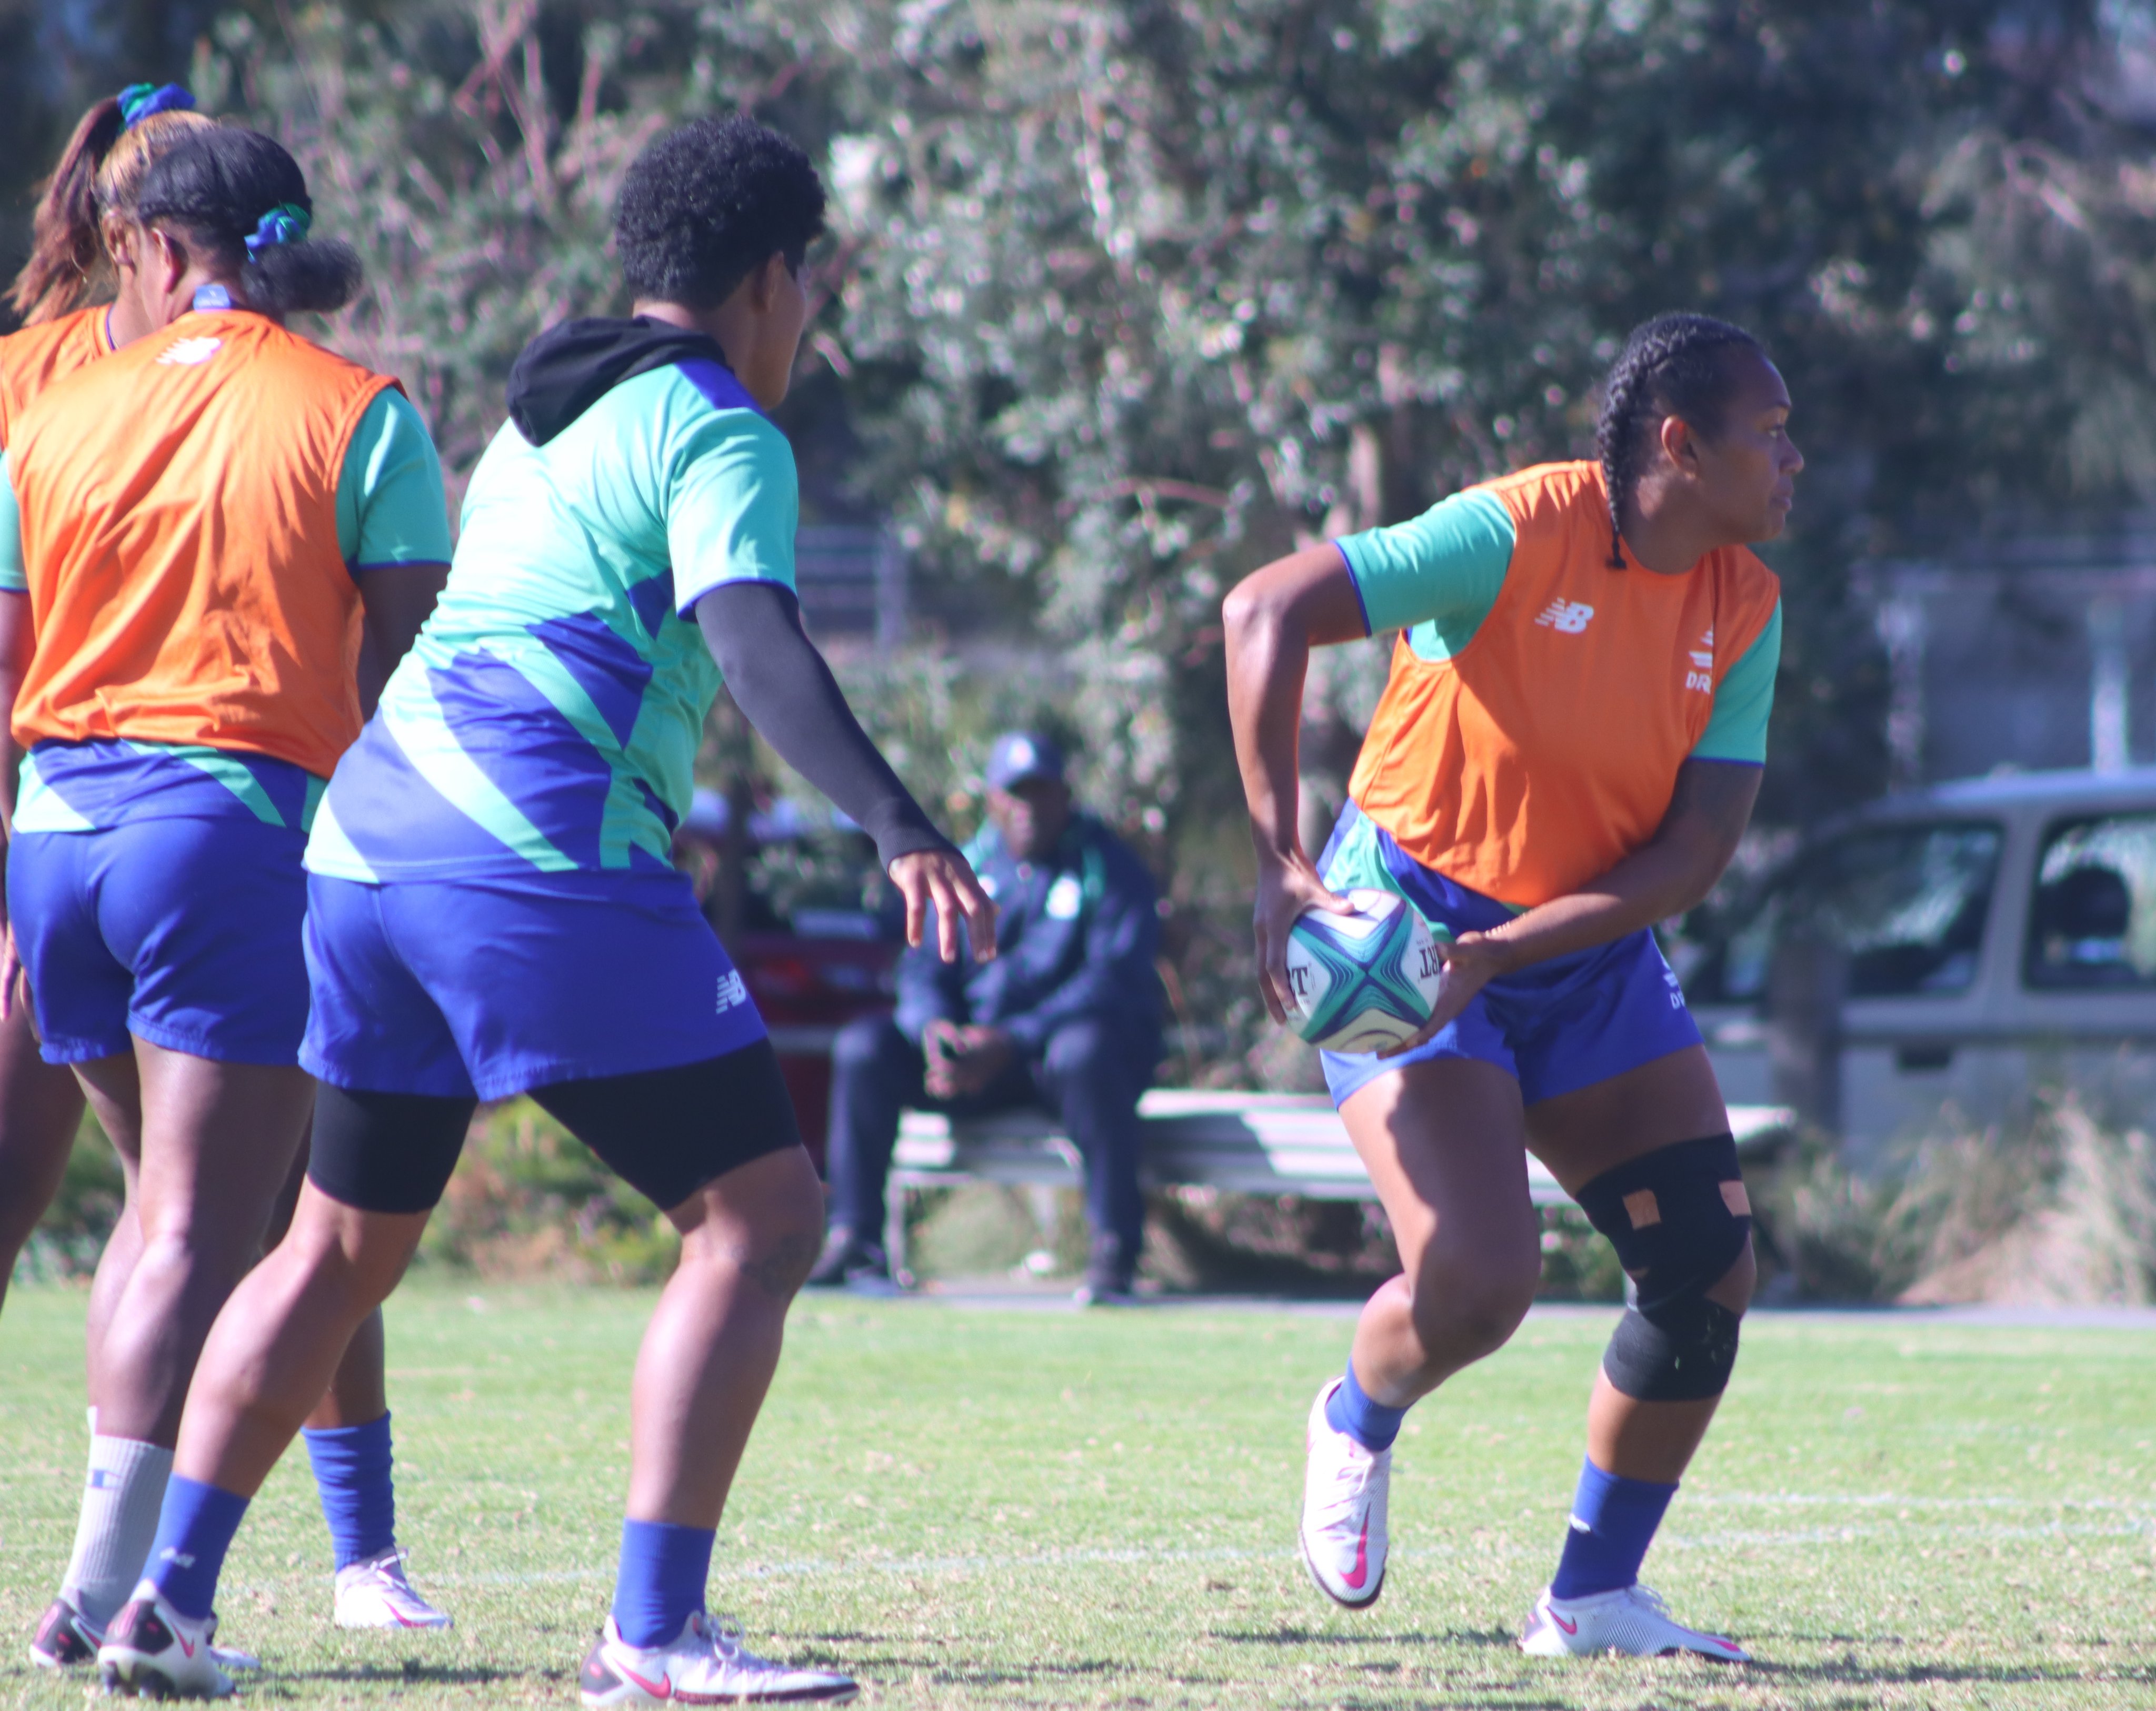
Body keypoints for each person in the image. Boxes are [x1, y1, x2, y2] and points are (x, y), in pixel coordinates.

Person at [96, 114, 993, 1703]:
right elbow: (758, 637)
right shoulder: (720, 428)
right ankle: (653, 1637)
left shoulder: (545, 419)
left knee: (332, 1249)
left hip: (365, 849)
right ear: (779, 279)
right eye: (812, 289)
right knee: (766, 1219)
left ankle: (161, 1602)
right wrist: (901, 823)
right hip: (527, 851)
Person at [1223, 312, 1798, 1659]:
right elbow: (1266, 606)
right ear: (1680, 446)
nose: (1793, 461)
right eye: (1768, 435)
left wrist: (1507, 952)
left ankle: (1591, 1599)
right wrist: (1276, 859)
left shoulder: (1746, 605)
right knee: (1481, 1281)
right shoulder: (1512, 530)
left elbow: (1691, 854)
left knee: (1708, 1265)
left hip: (1575, 948)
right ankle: (1356, 1415)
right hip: (1406, 931)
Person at [0, 120, 457, 1664]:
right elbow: (411, 682)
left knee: (156, 1220)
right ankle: (108, 1610)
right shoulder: (359, 413)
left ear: (158, 245)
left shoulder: (55, 413)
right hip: (228, 824)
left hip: (57, 837)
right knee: (208, 1225)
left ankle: (107, 1594)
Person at [812, 731, 1163, 1302]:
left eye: (1042, 792)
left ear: (1065, 795)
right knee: (863, 1048)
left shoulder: (1107, 868)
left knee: (1086, 1049)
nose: (1029, 808)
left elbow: (1112, 981)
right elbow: (921, 968)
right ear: (993, 800)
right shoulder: (967, 865)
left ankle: (1113, 1253)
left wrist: (1011, 1039)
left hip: (1050, 1064)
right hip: (970, 1063)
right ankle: (855, 1241)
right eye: (1015, 794)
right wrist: (936, 1033)